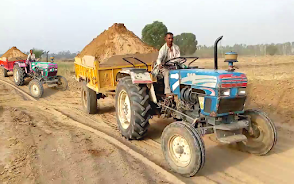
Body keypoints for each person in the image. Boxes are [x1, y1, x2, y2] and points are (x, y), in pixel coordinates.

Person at [152, 32, 180, 97]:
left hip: (174, 66)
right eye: (169, 38)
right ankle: (167, 92)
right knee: (167, 73)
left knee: (181, 72)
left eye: (172, 38)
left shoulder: (176, 48)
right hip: (165, 67)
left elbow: (178, 58)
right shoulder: (163, 49)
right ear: (165, 39)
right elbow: (159, 59)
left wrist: (176, 63)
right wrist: (159, 64)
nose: (170, 40)